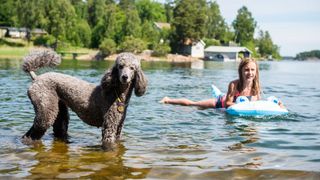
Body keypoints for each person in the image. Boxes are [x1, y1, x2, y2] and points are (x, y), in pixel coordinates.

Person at [160, 58, 264, 109]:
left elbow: (259, 103)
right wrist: (244, 105)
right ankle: (168, 100)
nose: (250, 73)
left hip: (238, 106)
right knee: (193, 104)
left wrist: (278, 105)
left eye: (252, 70)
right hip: (220, 103)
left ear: (256, 71)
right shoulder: (234, 85)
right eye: (246, 70)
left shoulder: (256, 87)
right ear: (240, 71)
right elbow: (227, 104)